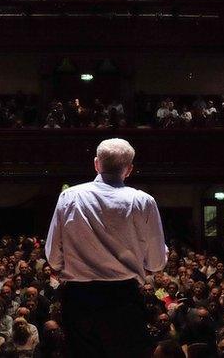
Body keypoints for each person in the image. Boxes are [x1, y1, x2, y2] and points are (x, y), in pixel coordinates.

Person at [45, 138, 168, 358]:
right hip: (123, 298)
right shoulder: (144, 201)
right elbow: (157, 263)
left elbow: (53, 256)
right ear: (129, 169)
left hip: (79, 298)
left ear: (96, 164)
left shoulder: (69, 196)